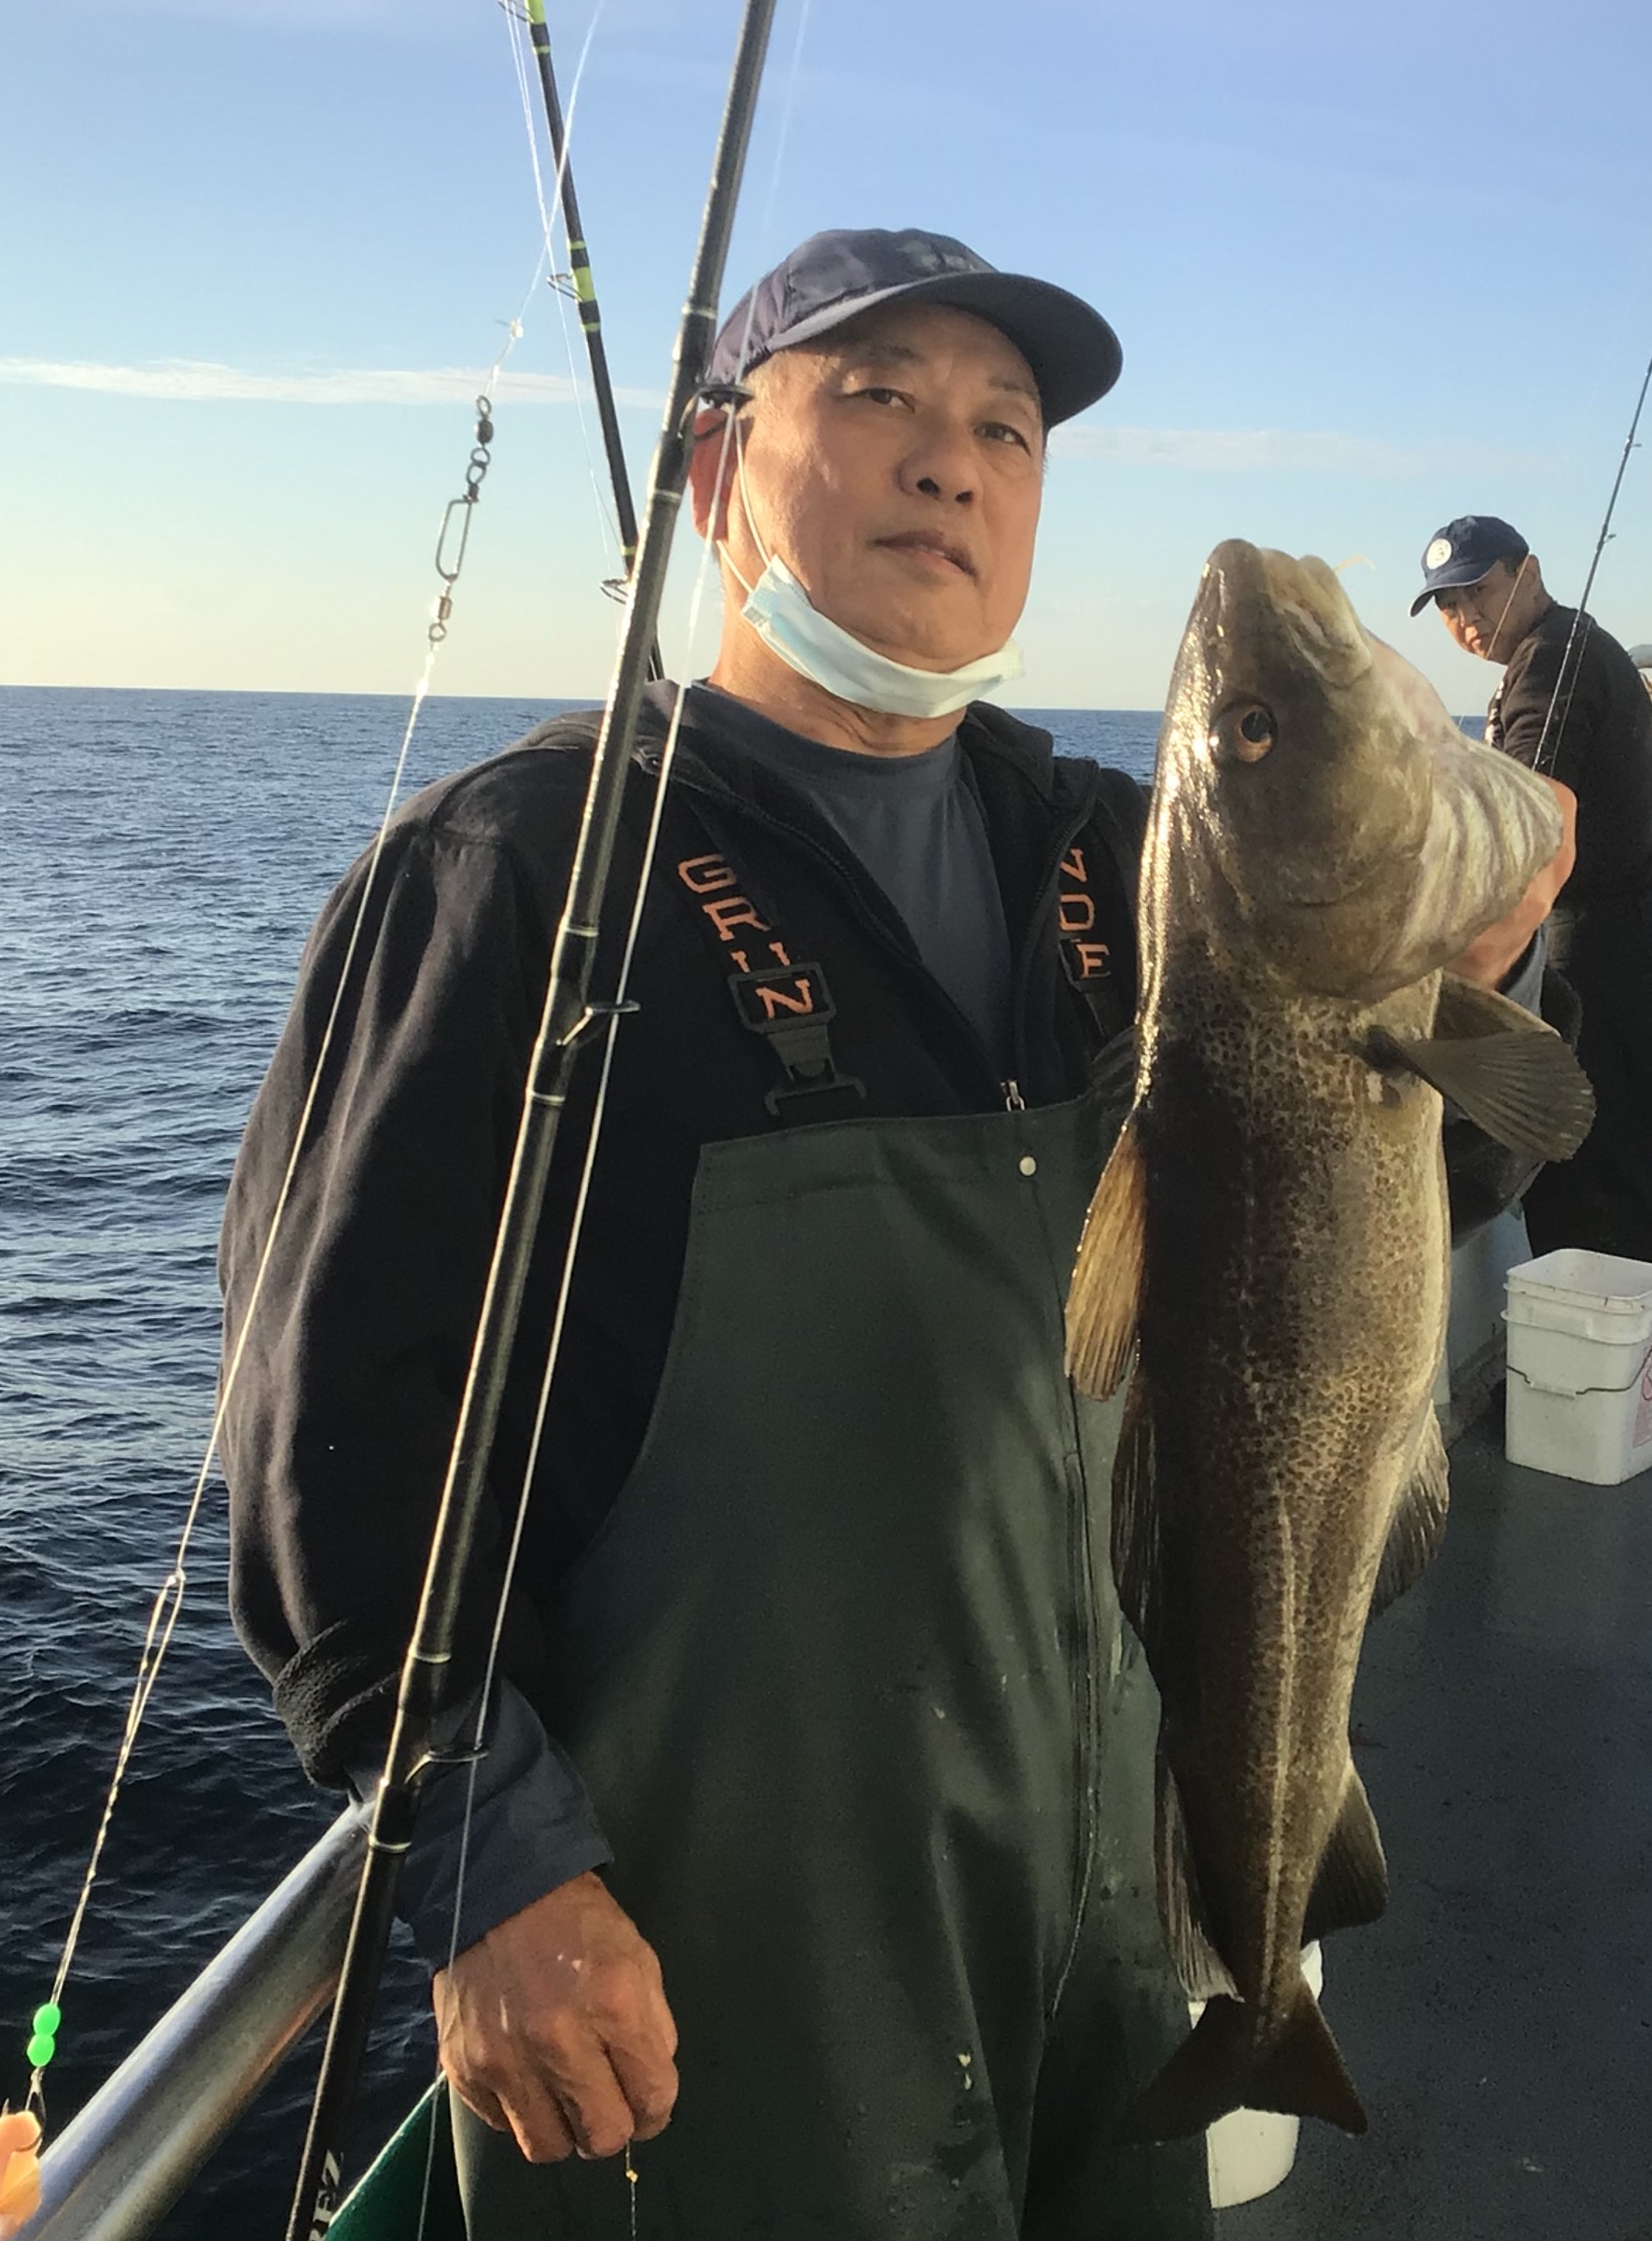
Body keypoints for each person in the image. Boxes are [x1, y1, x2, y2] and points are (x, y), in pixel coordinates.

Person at [220, 233, 1564, 2241]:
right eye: (874, 399)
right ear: (710, 477)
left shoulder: (1107, 856)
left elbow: (1369, 1212)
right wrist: (488, 1863)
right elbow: (320, 1450)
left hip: (1115, 1890)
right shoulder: (508, 882)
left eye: (1005, 429)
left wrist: (1464, 948)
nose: (952, 462)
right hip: (722, 1981)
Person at [1412, 514, 1652, 1260]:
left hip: (1598, 947)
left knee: (1590, 1169)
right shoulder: (1565, 648)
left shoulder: (1552, 659)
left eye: (1478, 591)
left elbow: (1531, 828)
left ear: (1529, 572)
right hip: (1620, 936)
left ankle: (1603, 1344)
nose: (1466, 619)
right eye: (1448, 606)